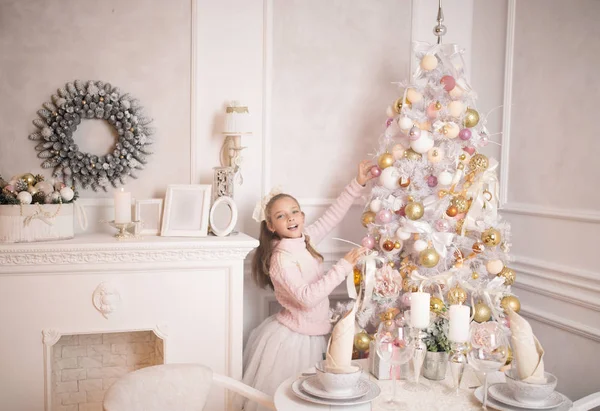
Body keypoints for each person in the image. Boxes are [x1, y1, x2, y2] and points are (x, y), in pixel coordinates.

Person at [237, 160, 374, 411]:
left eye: (294, 211)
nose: (290, 218)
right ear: (271, 226)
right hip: (292, 341)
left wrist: (358, 183)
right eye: (281, 216)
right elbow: (307, 298)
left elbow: (333, 215)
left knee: (314, 401)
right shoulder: (280, 258)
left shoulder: (305, 239)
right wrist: (343, 266)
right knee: (293, 400)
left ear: (302, 215)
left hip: (314, 335)